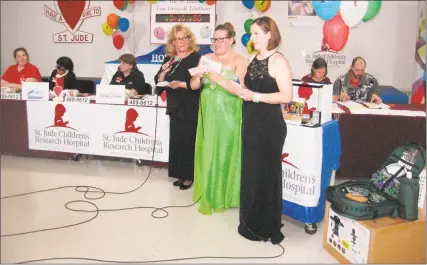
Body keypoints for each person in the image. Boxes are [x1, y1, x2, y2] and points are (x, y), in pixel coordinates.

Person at [238, 16, 293, 245]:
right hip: (251, 122)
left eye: (256, 34)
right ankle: (251, 222)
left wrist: (256, 96)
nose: (252, 38)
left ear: (269, 34)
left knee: (265, 174)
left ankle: (265, 225)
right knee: (251, 173)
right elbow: (246, 88)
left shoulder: (278, 60)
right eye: (251, 34)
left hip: (269, 126)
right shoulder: (251, 58)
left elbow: (287, 96)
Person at [190, 22, 247, 215]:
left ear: (231, 39)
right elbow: (194, 86)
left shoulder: (240, 60)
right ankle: (208, 190)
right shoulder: (205, 58)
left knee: (224, 150)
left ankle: (225, 194)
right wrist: (197, 77)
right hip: (208, 110)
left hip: (228, 112)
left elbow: (241, 89)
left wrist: (218, 78)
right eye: (214, 39)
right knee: (207, 149)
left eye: (221, 39)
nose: (217, 43)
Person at [154, 24, 201, 190]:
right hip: (174, 107)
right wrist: (163, 73)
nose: (183, 41)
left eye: (185, 37)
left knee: (189, 142)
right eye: (179, 39)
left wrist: (180, 84)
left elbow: (199, 83)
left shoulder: (196, 58)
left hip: (190, 106)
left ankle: (190, 176)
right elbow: (158, 85)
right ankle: (180, 174)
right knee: (177, 143)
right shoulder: (169, 59)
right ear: (172, 42)